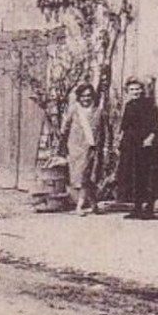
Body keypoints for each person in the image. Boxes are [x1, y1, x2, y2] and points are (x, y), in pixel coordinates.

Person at [117, 78, 158, 219]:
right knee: (133, 175)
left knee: (147, 175)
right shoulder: (129, 105)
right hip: (131, 145)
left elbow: (156, 125)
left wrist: (150, 138)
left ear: (142, 90)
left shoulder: (149, 105)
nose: (135, 92)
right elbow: (125, 125)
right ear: (128, 92)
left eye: (137, 89)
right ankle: (136, 208)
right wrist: (120, 138)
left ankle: (149, 208)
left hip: (145, 145)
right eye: (132, 90)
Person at [61, 83, 103, 216]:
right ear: (79, 97)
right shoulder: (74, 110)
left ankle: (80, 206)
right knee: (82, 177)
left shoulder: (99, 112)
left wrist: (106, 148)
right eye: (83, 96)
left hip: (92, 149)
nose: (86, 99)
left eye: (89, 96)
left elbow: (106, 132)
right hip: (76, 148)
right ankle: (93, 204)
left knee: (86, 177)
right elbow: (65, 129)